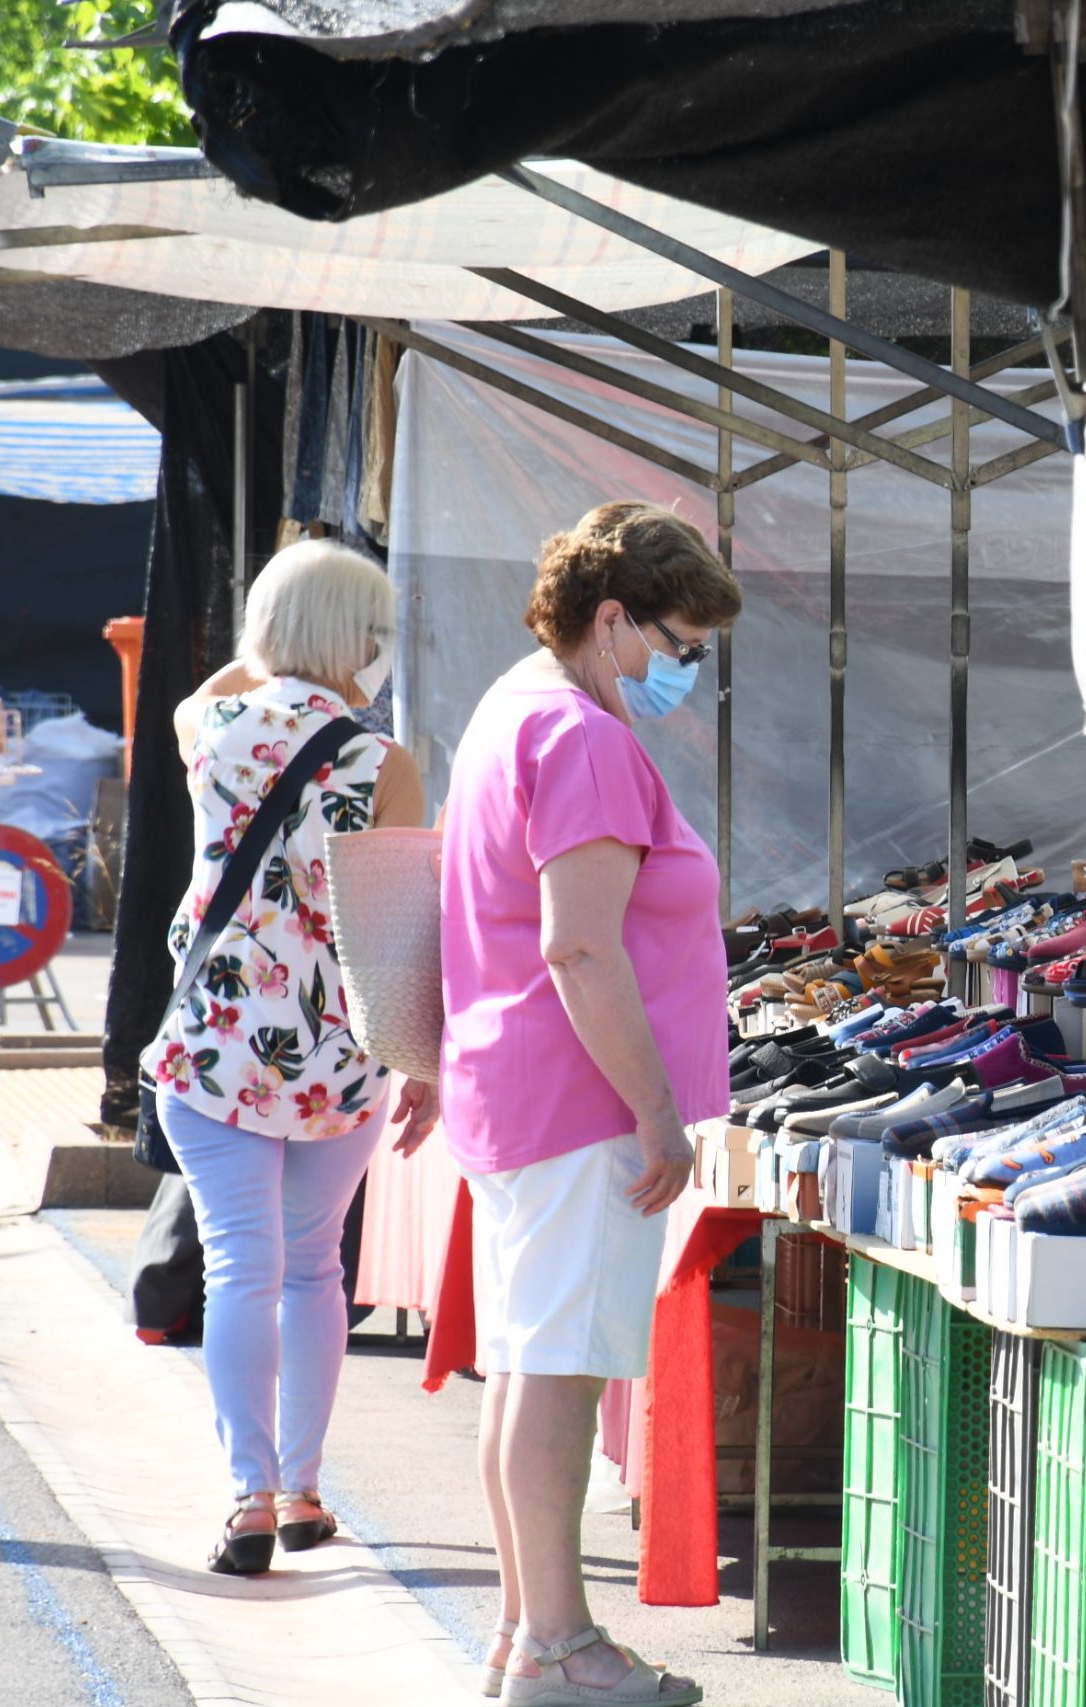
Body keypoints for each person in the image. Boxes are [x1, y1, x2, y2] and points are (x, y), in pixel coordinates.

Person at [427, 500, 739, 1706]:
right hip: (579, 1100)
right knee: (553, 1372)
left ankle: (527, 1634)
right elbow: (583, 951)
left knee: (526, 1367)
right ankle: (560, 1646)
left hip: (516, 1091)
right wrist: (659, 1114)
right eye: (682, 641)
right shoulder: (585, 739)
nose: (688, 668)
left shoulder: (515, 705)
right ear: (615, 621)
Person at [144, 539, 431, 1574]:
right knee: (316, 1269)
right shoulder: (383, 762)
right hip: (337, 1057)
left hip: (215, 1043)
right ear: (362, 638)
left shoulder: (208, 727)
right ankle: (306, 1489)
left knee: (239, 1269)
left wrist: (268, 647)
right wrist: (425, 1062)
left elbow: (214, 687)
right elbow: (407, 927)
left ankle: (249, 1500)